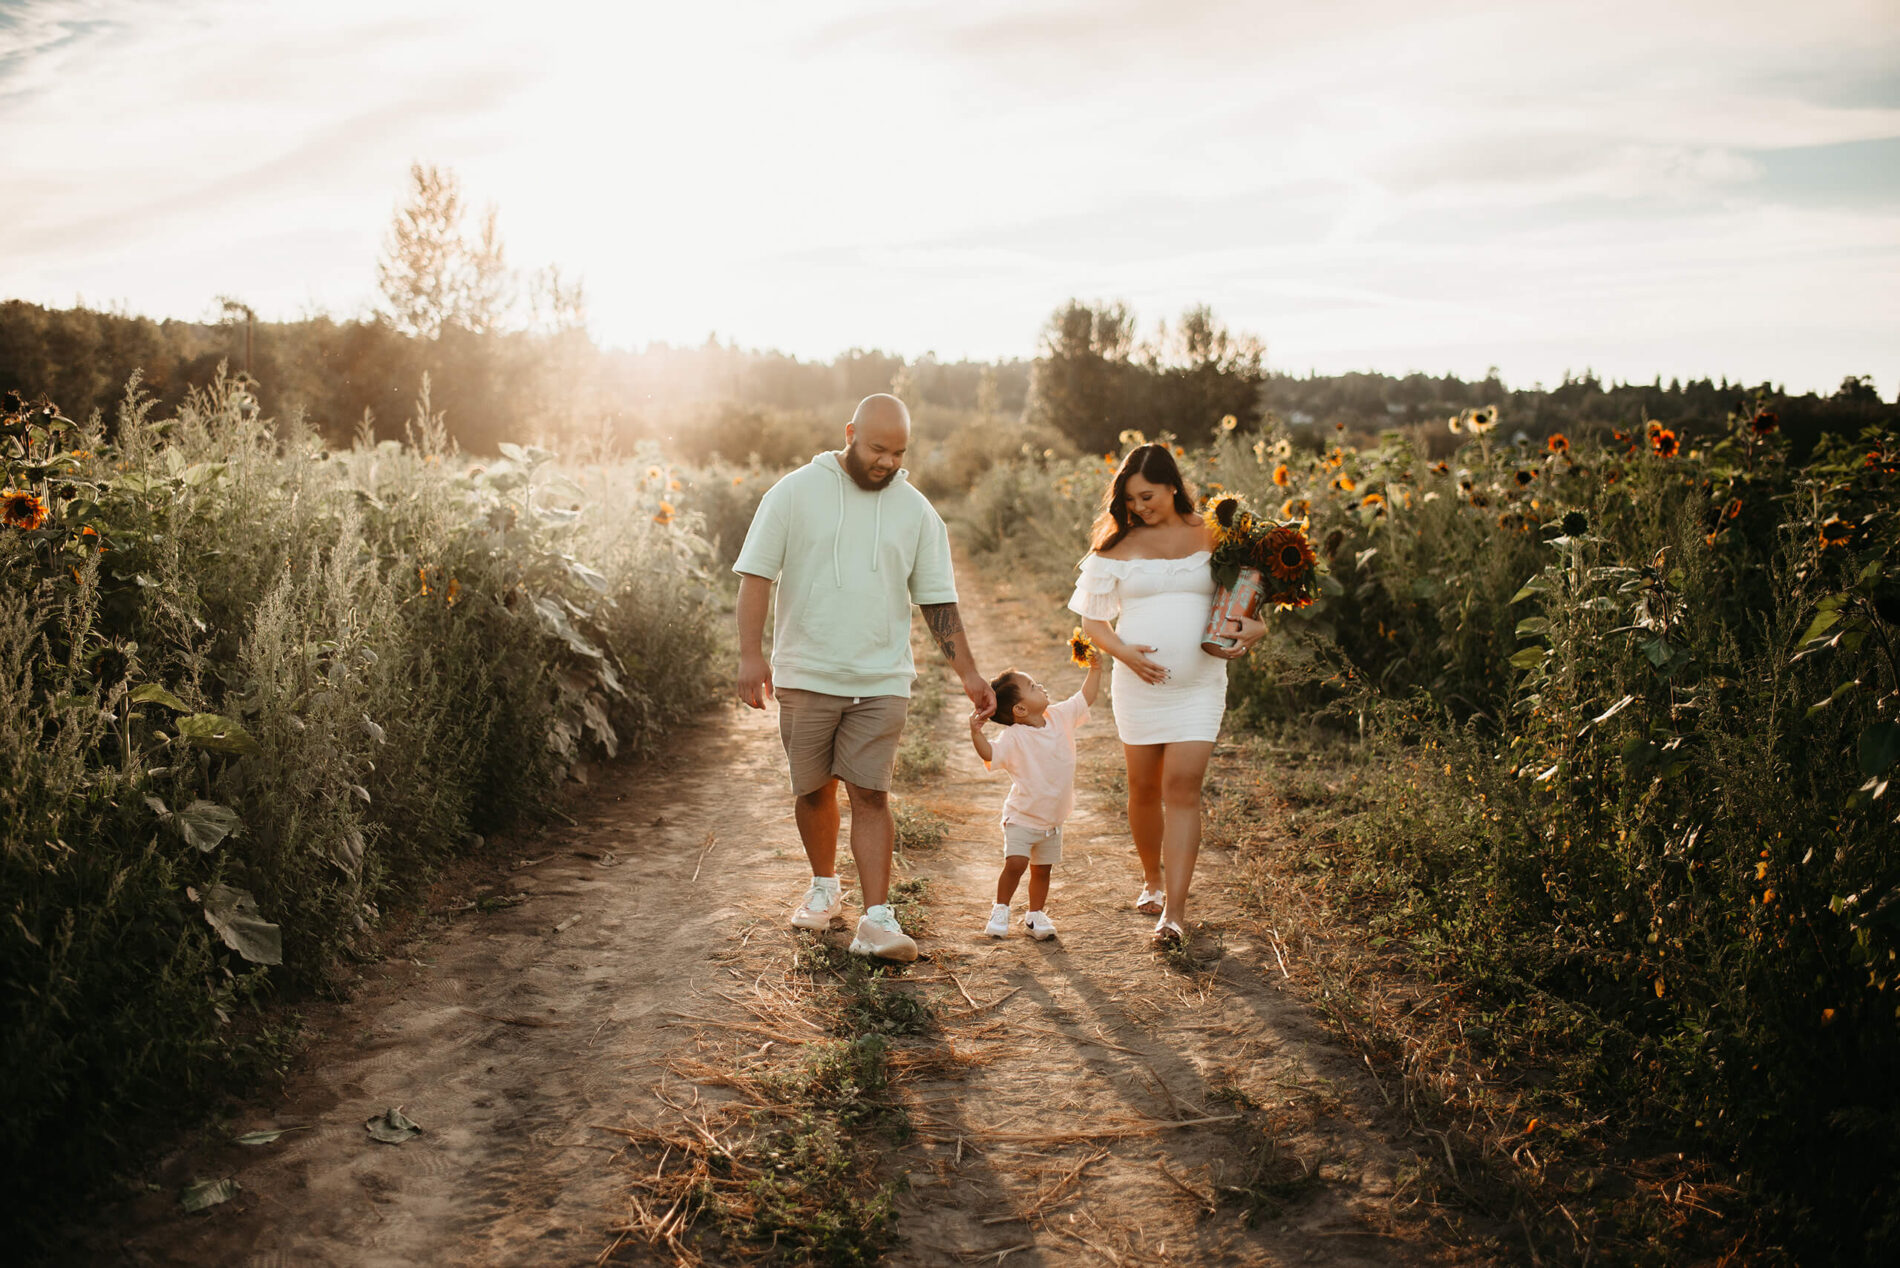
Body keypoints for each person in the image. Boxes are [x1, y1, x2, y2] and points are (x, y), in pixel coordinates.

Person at [733, 394, 996, 962]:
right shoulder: (794, 492)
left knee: (872, 793)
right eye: (877, 448)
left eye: (899, 452)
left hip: (881, 677)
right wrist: (750, 654)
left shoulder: (917, 511)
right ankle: (825, 887)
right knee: (812, 789)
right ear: (850, 433)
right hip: (806, 672)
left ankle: (877, 921)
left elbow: (938, 601)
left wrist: (969, 673)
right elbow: (756, 574)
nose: (887, 462)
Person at [1068, 443, 1265, 946]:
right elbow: (1092, 620)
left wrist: (1252, 631)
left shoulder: (1217, 535)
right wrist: (1124, 654)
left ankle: (1174, 914)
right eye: (1132, 500)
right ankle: (1151, 879)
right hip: (1138, 684)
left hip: (1200, 684)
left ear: (1173, 485)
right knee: (1143, 788)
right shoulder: (1118, 545)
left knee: (1182, 786)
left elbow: (1249, 598)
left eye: (1148, 496)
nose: (1140, 508)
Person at [967, 648, 1103, 941]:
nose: (1039, 686)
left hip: (1053, 819)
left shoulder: (1059, 717)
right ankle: (1001, 908)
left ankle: (1035, 915)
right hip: (1022, 817)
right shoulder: (1014, 737)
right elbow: (990, 753)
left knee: (1043, 871)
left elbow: (1085, 698)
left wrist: (1095, 669)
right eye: (1031, 686)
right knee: (1016, 864)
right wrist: (976, 733)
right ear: (1020, 710)